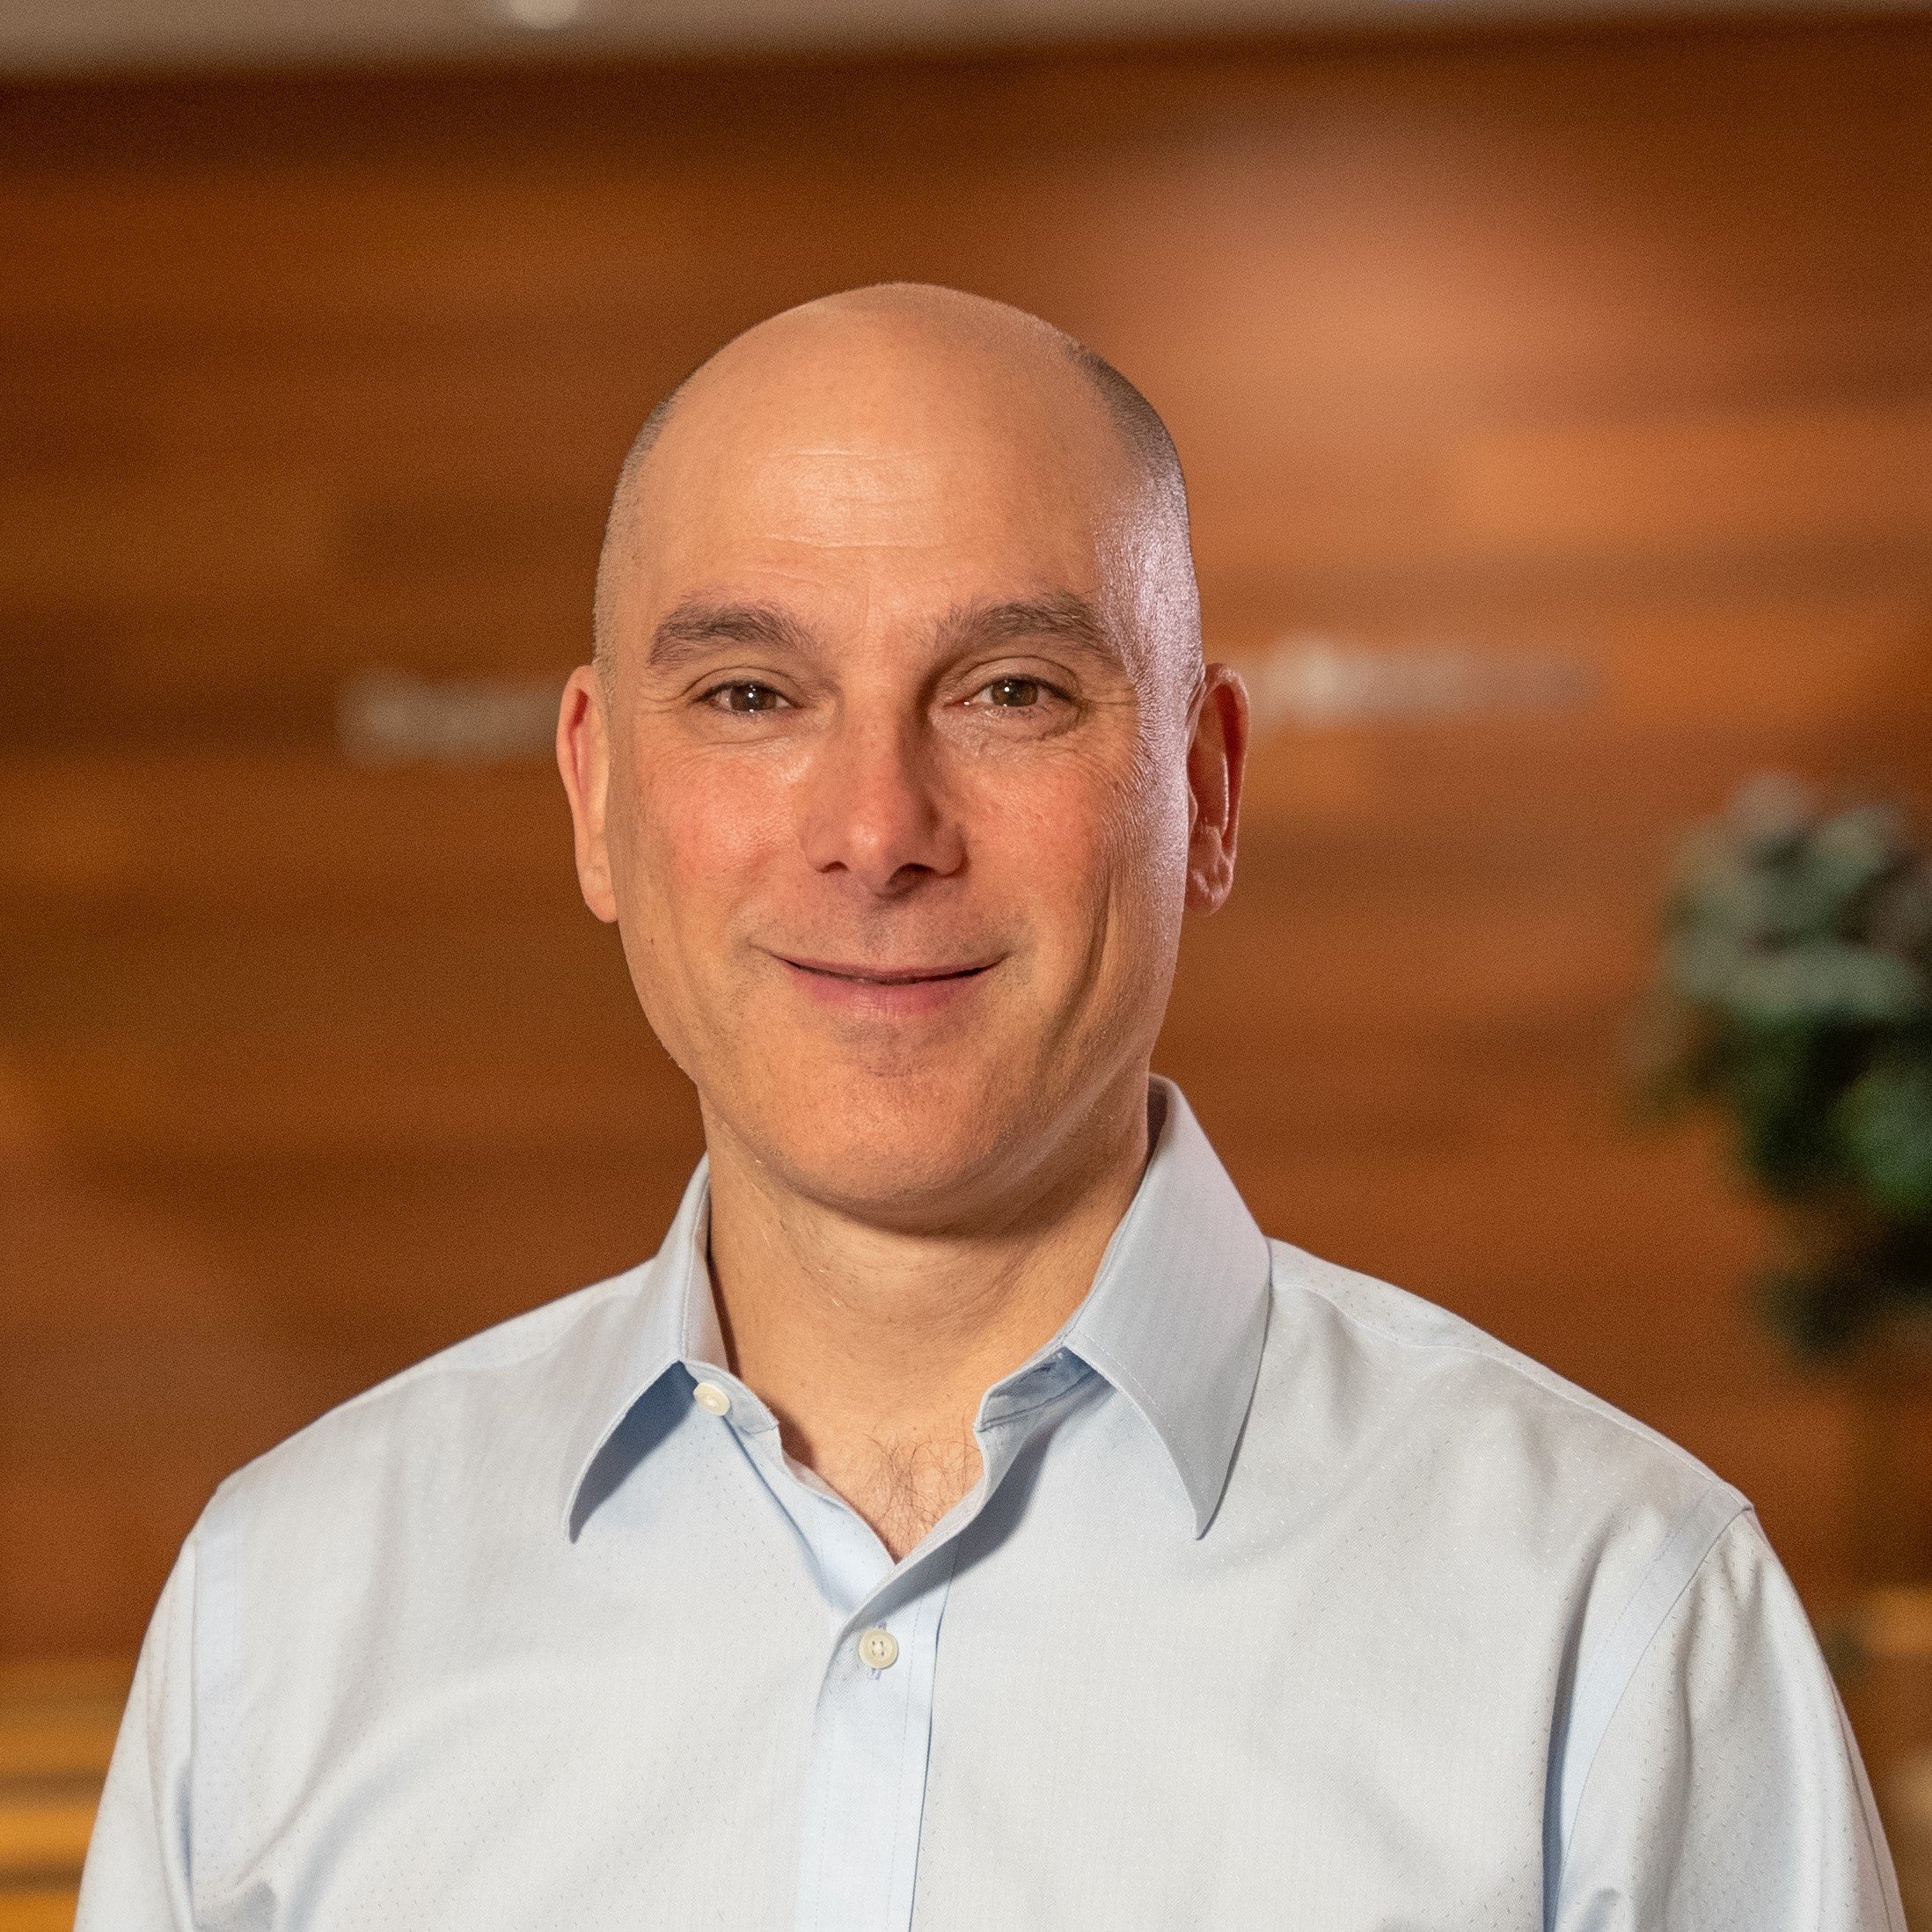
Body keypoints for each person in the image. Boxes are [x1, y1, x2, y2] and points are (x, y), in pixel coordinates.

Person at [77, 284, 1900, 1931]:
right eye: (751, 693)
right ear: (599, 795)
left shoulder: (1610, 1619)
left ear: (1206, 791)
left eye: (1012, 692)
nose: (878, 830)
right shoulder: (280, 1618)